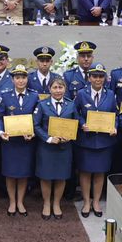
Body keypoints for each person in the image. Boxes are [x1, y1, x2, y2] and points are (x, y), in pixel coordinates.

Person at [74, 65, 116, 216]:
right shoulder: (81, 94)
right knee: (85, 172)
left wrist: (114, 127)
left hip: (104, 140)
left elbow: (115, 114)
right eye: (95, 76)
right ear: (89, 78)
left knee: (100, 172)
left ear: (105, 78)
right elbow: (75, 112)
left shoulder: (110, 94)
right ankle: (86, 201)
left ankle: (96, 201)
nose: (98, 79)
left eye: (101, 76)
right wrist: (81, 123)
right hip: (86, 140)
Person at [0, 64, 37, 216]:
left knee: (23, 173)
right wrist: (0, 132)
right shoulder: (5, 95)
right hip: (9, 142)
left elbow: (36, 118)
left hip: (26, 142)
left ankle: (20, 201)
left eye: (23, 77)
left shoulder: (34, 95)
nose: (20, 81)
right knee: (10, 173)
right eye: (17, 78)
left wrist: (33, 133)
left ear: (27, 79)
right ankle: (12, 201)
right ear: (12, 80)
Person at [33, 75, 75, 219]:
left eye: (61, 87)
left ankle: (56, 203)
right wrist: (49, 138)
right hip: (47, 148)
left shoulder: (71, 104)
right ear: (49, 89)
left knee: (61, 177)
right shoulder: (42, 105)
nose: (58, 90)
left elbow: (76, 123)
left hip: (64, 147)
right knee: (46, 176)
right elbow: (36, 125)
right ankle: (46, 203)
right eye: (55, 87)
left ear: (65, 89)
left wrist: (70, 135)